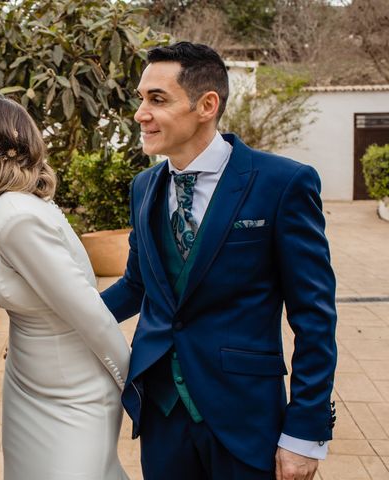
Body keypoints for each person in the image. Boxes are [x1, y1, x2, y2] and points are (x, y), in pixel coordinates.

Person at [100, 41, 338, 480]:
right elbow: (137, 285)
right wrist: (61, 318)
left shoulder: (282, 184)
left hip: (244, 417)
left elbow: (314, 317)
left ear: (207, 104)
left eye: (157, 99)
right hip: (161, 412)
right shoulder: (144, 186)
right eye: (141, 99)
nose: (140, 114)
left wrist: (305, 431)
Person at [0, 89, 130, 480]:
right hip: (27, 384)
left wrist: (134, 386)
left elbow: (90, 312)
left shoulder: (14, 216)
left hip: (75, 392)